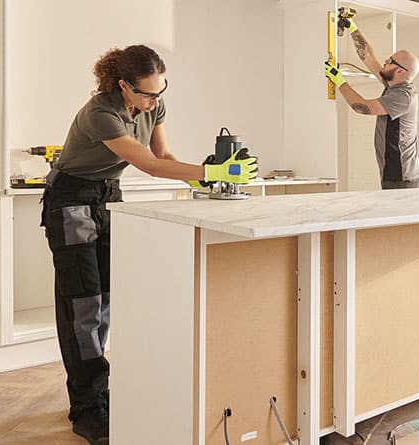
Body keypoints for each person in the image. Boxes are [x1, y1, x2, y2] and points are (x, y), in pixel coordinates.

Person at [41, 44, 257, 444]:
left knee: (104, 299)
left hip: (108, 196)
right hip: (70, 200)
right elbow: (150, 166)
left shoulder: (154, 107)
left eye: (161, 91)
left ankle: (98, 393)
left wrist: (205, 178)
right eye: (147, 92)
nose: (155, 100)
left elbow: (165, 153)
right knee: (81, 305)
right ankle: (86, 409)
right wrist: (211, 171)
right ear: (123, 86)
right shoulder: (100, 114)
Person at [323, 17, 419, 190]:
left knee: (397, 217)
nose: (385, 61)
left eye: (390, 61)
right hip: (397, 174)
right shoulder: (393, 83)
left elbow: (362, 107)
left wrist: (339, 81)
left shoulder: (403, 96)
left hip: (402, 177)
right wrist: (352, 27)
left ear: (400, 71)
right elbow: (369, 56)